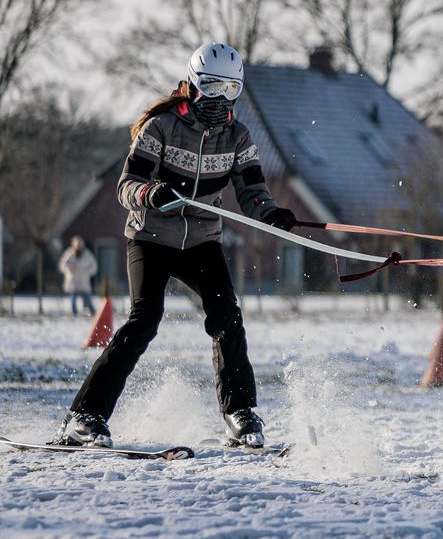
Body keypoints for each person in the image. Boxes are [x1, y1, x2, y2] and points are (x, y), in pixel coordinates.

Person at [53, 43, 296, 449]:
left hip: (201, 240)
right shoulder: (160, 128)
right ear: (193, 84)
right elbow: (126, 186)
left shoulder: (237, 137)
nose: (220, 98)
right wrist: (151, 193)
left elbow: (252, 190)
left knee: (227, 316)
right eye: (212, 86)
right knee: (145, 319)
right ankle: (85, 416)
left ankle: (239, 413)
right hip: (150, 237)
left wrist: (269, 213)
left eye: (230, 89)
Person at [58, 236, 98, 316]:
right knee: (73, 301)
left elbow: (94, 267)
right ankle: (74, 315)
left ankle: (94, 314)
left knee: (88, 301)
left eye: (80, 243)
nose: (79, 246)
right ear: (73, 244)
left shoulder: (88, 254)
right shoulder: (69, 253)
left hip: (84, 282)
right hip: (73, 282)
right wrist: (68, 268)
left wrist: (87, 272)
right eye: (77, 244)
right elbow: (62, 265)